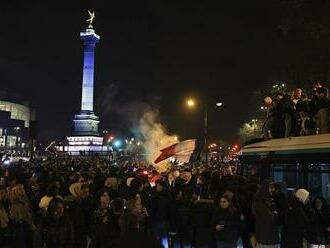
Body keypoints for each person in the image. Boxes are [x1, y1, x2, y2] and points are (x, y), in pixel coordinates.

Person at [252, 180, 280, 248]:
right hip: (266, 238)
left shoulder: (267, 199)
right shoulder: (261, 201)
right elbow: (269, 219)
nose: (273, 189)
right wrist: (276, 214)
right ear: (265, 188)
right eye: (271, 187)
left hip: (267, 236)